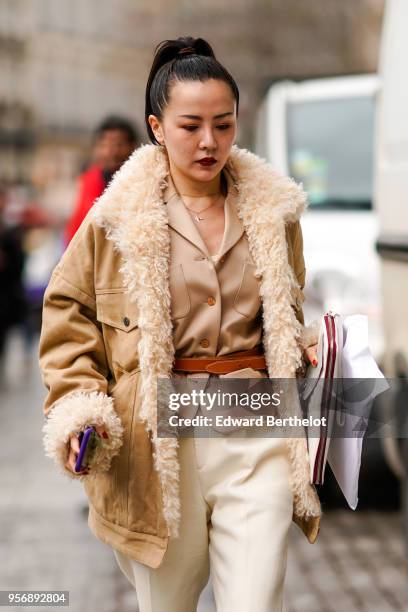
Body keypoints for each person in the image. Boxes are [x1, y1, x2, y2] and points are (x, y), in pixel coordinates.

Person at [39, 36, 321, 612]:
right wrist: (78, 405)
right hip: (157, 441)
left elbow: (287, 313)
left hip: (255, 428)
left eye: (224, 123)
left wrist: (309, 346)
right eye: (191, 125)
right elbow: (68, 314)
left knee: (256, 598)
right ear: (157, 126)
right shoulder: (115, 221)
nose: (209, 141)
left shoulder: (274, 213)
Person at [64, 115, 140, 246]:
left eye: (118, 145)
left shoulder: (142, 183)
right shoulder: (87, 181)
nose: (110, 152)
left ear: (133, 147)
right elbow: (75, 228)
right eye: (104, 145)